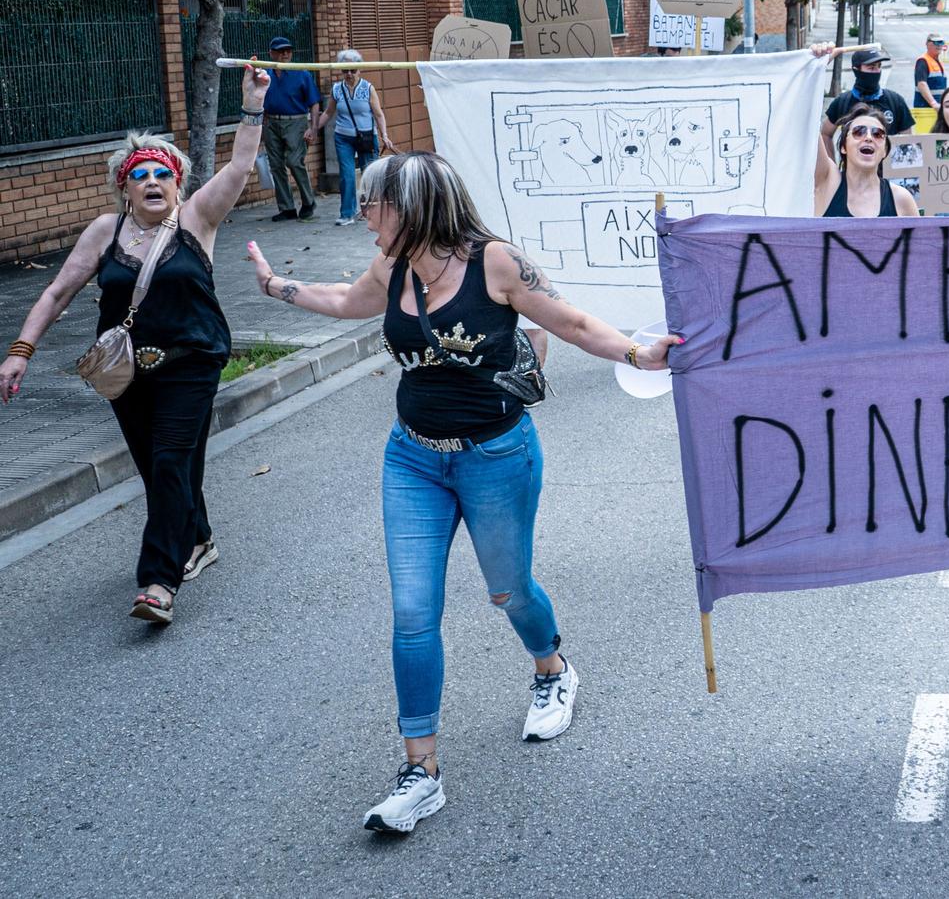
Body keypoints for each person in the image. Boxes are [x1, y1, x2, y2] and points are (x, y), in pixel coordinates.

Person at [245, 150, 674, 833]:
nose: (363, 219)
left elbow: (572, 323)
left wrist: (638, 353)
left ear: (412, 208)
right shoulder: (392, 267)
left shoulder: (495, 263)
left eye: (375, 205)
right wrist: (275, 289)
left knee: (509, 590)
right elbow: (345, 301)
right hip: (412, 459)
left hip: (496, 456)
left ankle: (552, 669)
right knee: (413, 613)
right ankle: (421, 773)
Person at [1, 68, 271, 624]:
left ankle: (158, 582)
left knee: (171, 458)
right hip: (126, 372)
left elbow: (241, 166)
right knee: (159, 467)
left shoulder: (198, 218)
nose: (152, 180)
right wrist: (20, 350)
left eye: (163, 173)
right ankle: (197, 538)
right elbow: (56, 292)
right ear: (123, 187)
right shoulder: (104, 231)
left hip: (192, 363)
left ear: (178, 183)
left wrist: (251, 106)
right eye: (139, 174)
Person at [318, 49, 396, 226]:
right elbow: (329, 112)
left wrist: (384, 135)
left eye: (353, 70)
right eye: (345, 70)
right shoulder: (337, 89)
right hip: (343, 137)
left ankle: (374, 212)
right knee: (347, 175)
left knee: (370, 174)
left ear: (359, 69)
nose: (349, 74)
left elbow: (378, 114)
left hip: (367, 137)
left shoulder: (368, 88)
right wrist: (314, 129)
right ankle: (347, 213)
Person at [816, 105, 919, 218]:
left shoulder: (901, 198)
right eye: (859, 132)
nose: (869, 138)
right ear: (843, 147)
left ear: (884, 151)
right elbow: (807, 121)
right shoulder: (827, 182)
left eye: (878, 134)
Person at [261, 35, 322, 220]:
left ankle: (308, 201)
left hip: (295, 121)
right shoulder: (266, 74)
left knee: (295, 162)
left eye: (288, 50)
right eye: (281, 51)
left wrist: (313, 128)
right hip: (271, 122)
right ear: (271, 53)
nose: (285, 54)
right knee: (276, 165)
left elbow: (315, 103)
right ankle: (286, 207)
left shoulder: (301, 73)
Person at [822, 47, 915, 141]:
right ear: (856, 70)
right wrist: (829, 156)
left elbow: (909, 141)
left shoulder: (895, 100)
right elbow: (826, 134)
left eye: (879, 66)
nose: (877, 71)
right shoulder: (842, 101)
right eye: (871, 68)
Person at [913, 34, 949, 109]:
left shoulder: (938, 62)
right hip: (925, 109)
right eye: (935, 42)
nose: (939, 45)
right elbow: (921, 84)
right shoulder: (923, 61)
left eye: (941, 42)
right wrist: (933, 103)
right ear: (927, 44)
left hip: (937, 108)